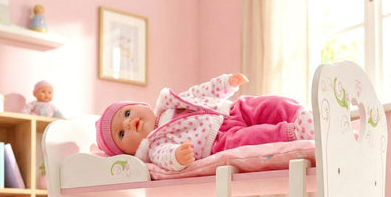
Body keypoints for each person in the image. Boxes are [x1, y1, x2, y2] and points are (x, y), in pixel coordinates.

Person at [95, 73, 314, 172]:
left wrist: (226, 83)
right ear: (129, 152)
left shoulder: (172, 102)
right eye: (121, 134)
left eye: (126, 113)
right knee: (256, 138)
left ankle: (300, 115)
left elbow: (202, 91)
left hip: (231, 109)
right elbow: (165, 157)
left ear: (141, 105)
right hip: (220, 140)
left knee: (267, 104)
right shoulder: (155, 146)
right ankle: (296, 132)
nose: (127, 123)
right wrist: (177, 156)